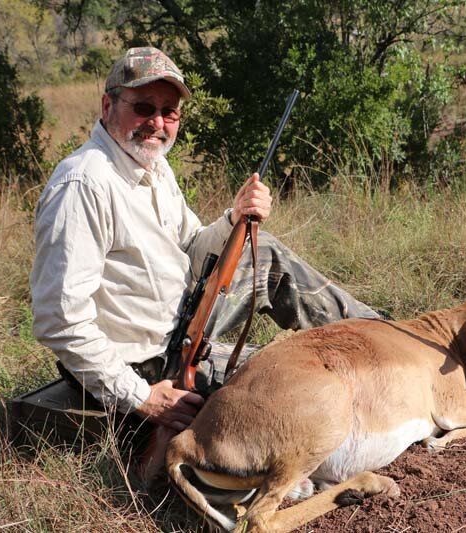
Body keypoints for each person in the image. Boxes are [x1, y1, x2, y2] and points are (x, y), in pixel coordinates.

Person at [30, 47, 378, 434]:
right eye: (144, 107)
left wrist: (235, 218)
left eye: (170, 111)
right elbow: (58, 318)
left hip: (183, 329)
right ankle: (378, 357)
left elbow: (193, 248)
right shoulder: (83, 184)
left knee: (263, 253)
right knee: (302, 375)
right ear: (108, 104)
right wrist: (140, 396)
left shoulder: (153, 165)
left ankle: (383, 338)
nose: (158, 122)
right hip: (143, 368)